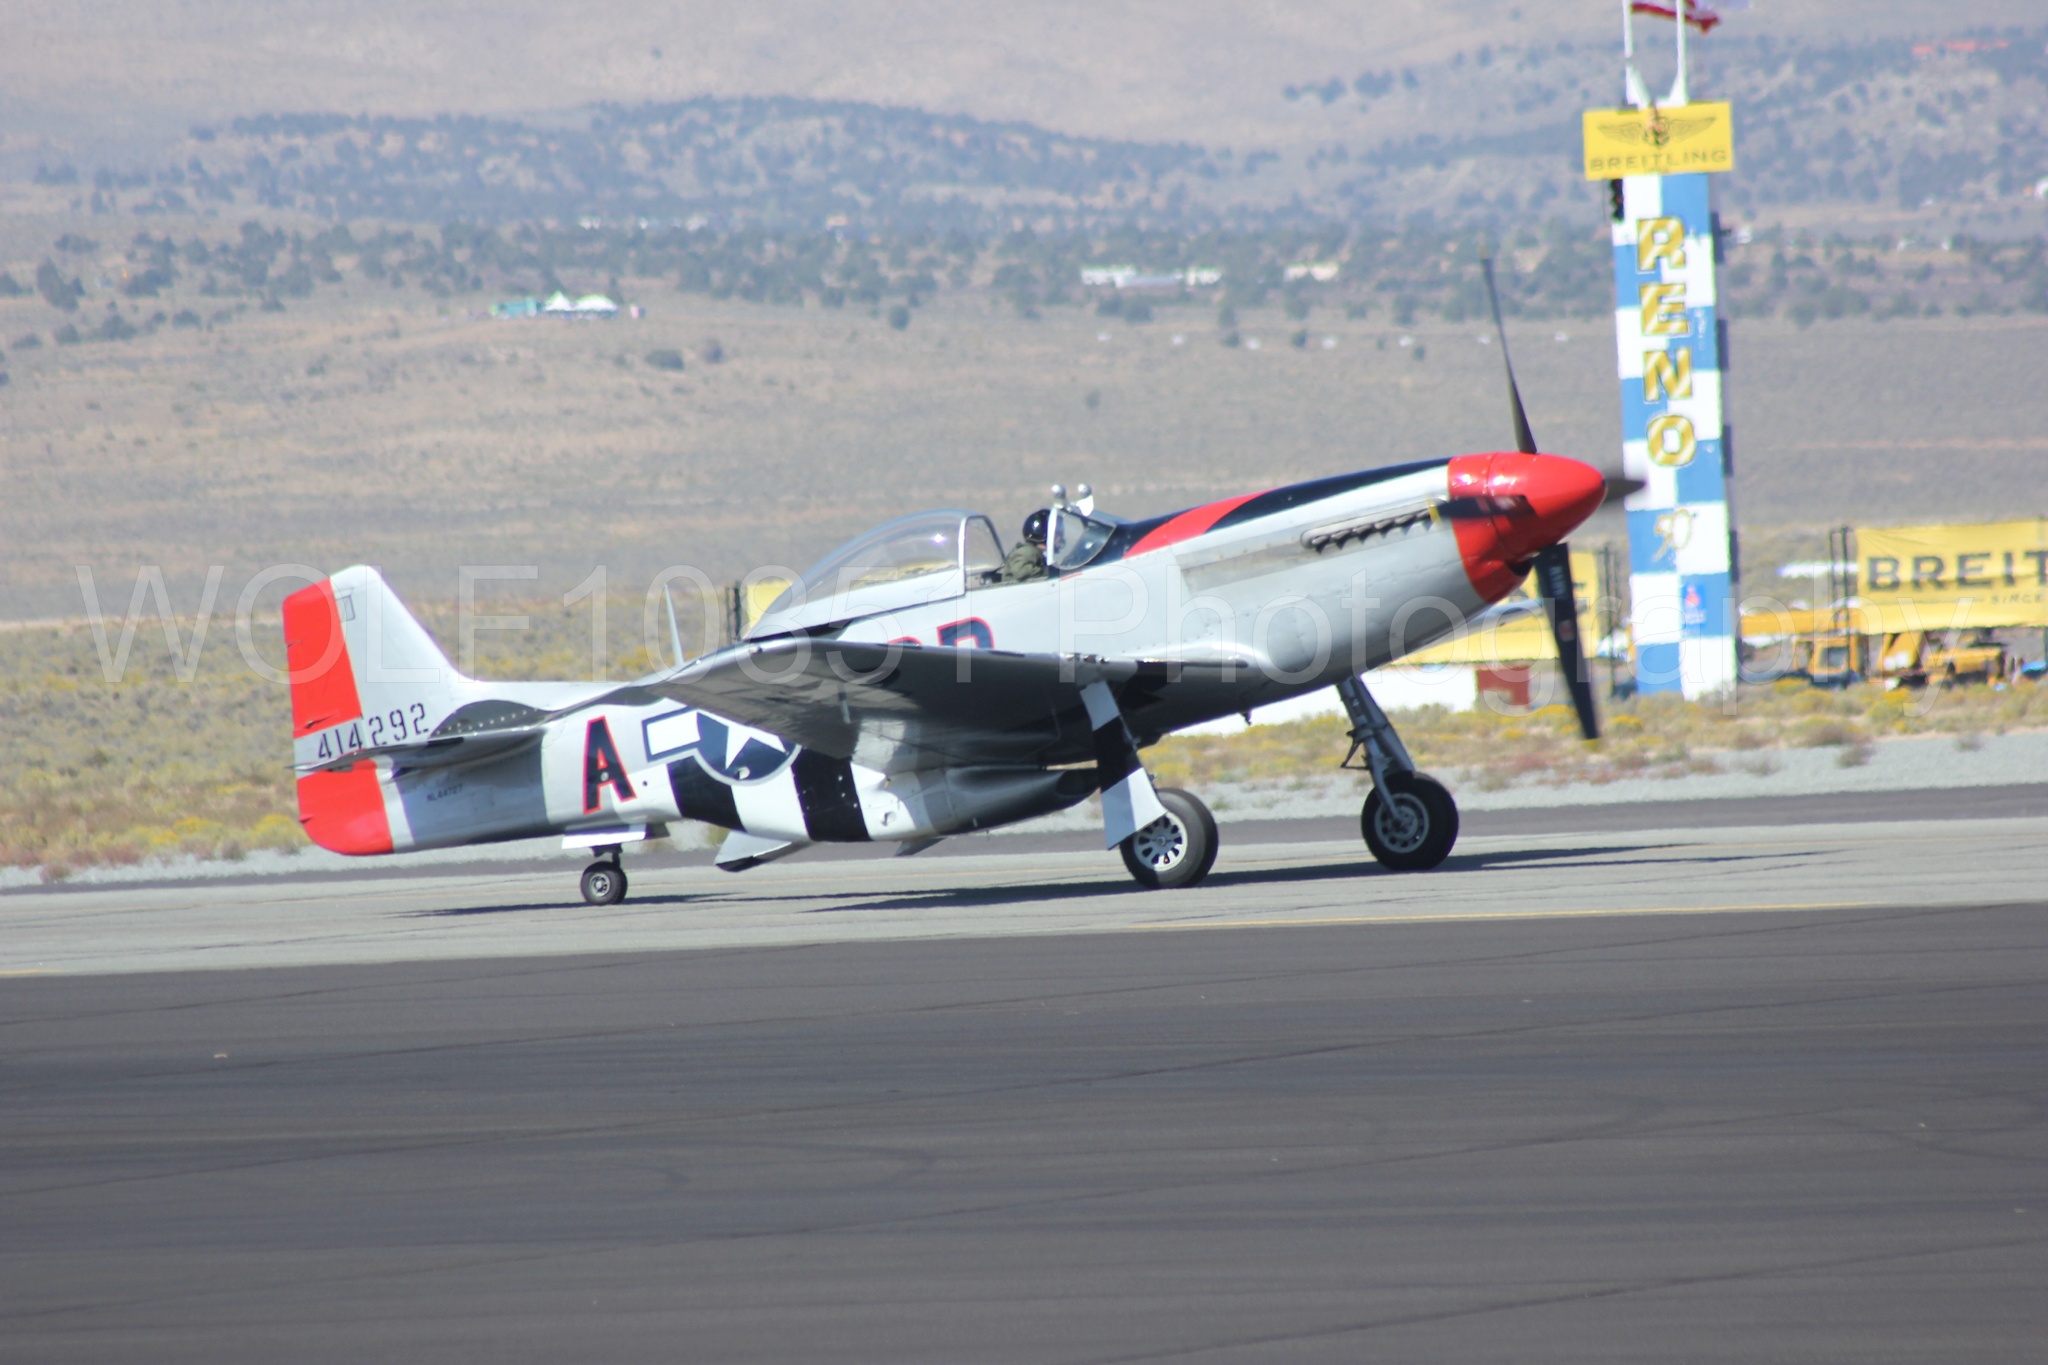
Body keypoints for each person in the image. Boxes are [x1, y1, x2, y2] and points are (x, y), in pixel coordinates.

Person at [1000, 509, 1050, 582]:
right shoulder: (1028, 551)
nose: (1061, 536)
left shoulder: (1042, 553)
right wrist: (1049, 571)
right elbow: (1019, 572)